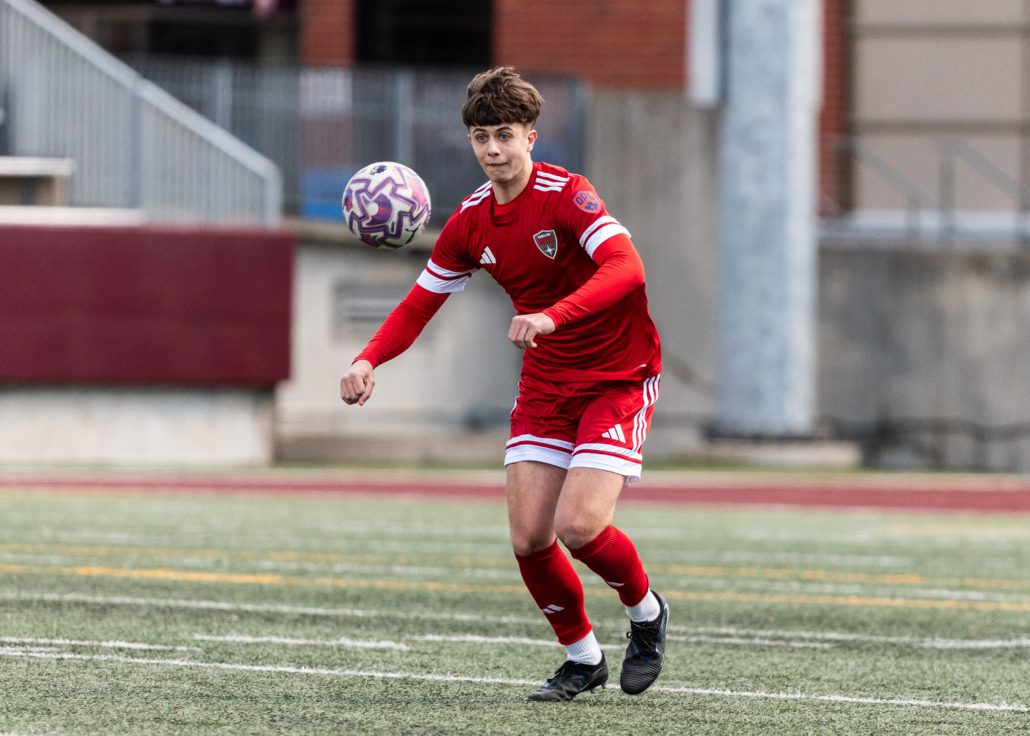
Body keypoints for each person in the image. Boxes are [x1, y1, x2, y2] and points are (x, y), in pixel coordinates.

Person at [340, 66, 668, 702]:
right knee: (528, 537)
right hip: (547, 384)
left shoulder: (568, 195)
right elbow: (419, 303)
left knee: (579, 528)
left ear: (530, 138)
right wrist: (368, 359)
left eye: (505, 135)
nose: (493, 149)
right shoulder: (468, 223)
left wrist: (553, 314)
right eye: (481, 137)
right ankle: (582, 658)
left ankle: (646, 613)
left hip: (617, 376)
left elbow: (627, 267)